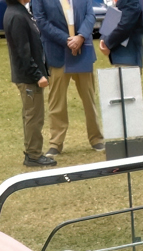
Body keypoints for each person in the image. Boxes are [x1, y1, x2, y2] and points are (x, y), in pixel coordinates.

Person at [32, 0, 103, 158]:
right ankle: (56, 143)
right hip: (57, 52)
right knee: (57, 101)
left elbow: (90, 15)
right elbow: (41, 21)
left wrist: (81, 37)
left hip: (83, 50)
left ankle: (96, 138)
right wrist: (67, 40)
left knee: (89, 98)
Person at [5, 0, 54, 167]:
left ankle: (32, 151)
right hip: (28, 78)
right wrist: (37, 74)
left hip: (28, 75)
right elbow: (23, 50)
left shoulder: (19, 12)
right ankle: (33, 154)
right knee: (34, 116)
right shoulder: (17, 16)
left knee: (31, 114)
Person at [99, 0, 143, 66]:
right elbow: (112, 13)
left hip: (127, 55)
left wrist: (107, 42)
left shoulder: (131, 1)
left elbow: (125, 25)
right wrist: (104, 37)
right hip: (121, 55)